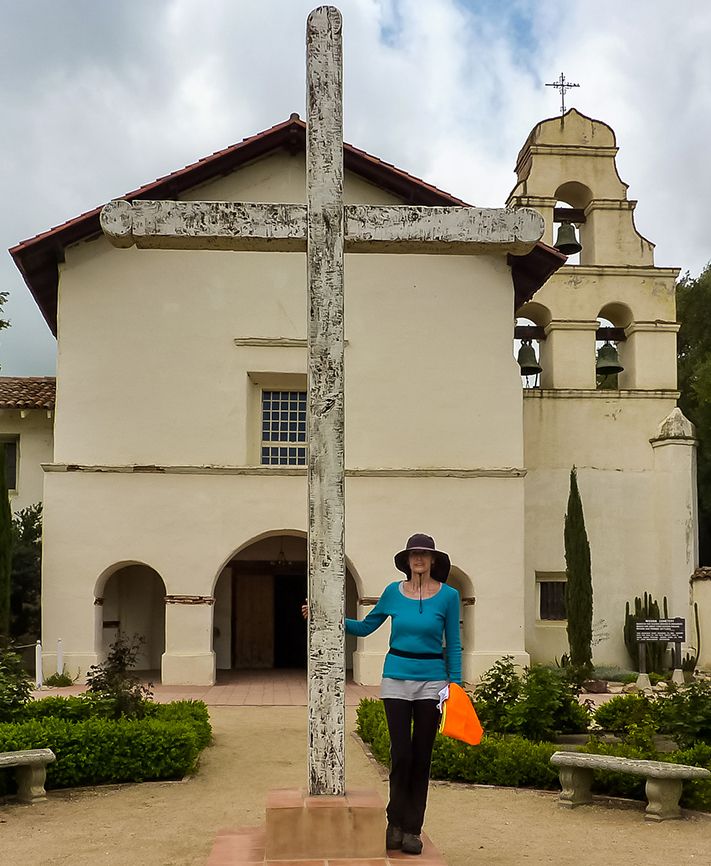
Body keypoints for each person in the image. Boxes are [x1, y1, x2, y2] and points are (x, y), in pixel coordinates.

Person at [303, 533, 461, 856]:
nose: (418, 559)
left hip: (432, 682)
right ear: (407, 561)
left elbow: (454, 643)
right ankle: (395, 823)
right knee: (401, 754)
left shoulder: (449, 596)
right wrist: (325, 616)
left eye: (424, 555)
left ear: (433, 561)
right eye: (413, 554)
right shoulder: (393, 593)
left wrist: (454, 684)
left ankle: (413, 829)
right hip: (396, 679)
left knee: (422, 757)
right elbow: (365, 627)